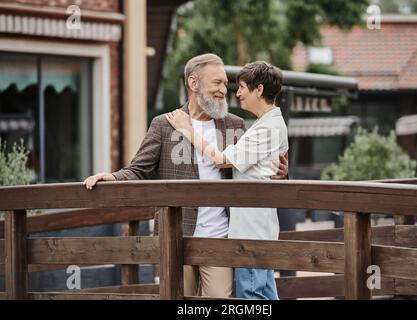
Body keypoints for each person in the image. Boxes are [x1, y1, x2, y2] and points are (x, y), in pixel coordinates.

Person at [83, 54, 288, 298]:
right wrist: (114, 177)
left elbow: (256, 166)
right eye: (217, 83)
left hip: (222, 235)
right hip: (177, 235)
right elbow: (139, 170)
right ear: (193, 84)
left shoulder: (234, 125)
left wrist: (281, 173)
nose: (225, 90)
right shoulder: (164, 124)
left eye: (226, 83)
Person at [166, 61, 288, 300]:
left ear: (259, 90)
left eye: (242, 87)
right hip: (255, 229)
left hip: (251, 231)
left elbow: (222, 160)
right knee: (264, 293)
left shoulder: (265, 129)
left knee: (252, 295)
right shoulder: (265, 125)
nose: (237, 93)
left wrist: (188, 130)